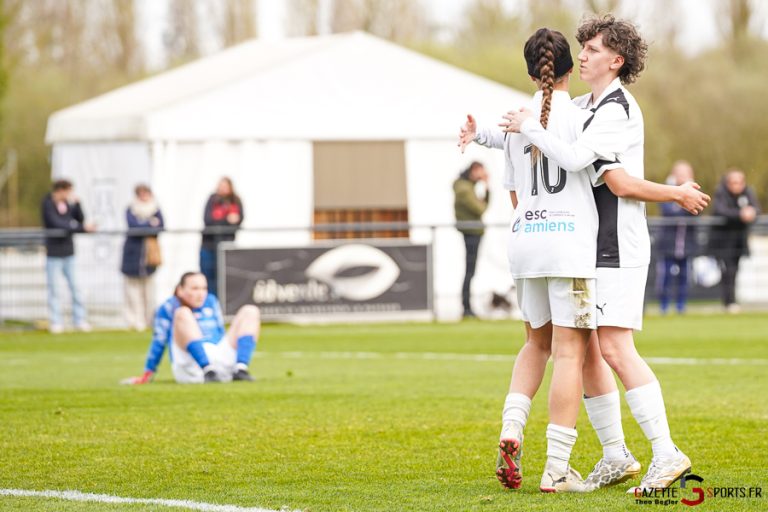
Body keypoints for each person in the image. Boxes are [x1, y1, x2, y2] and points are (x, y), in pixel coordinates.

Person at [498, 15, 709, 492]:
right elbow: (542, 124)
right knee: (590, 348)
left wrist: (675, 193)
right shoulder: (585, 105)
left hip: (617, 244)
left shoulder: (615, 109)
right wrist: (495, 132)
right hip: (590, 245)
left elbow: (614, 180)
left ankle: (667, 452)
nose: (584, 54)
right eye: (583, 48)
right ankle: (615, 453)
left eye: (592, 49)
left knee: (613, 346)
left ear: (616, 60)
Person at [123, 272, 260, 384]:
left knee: (250, 310)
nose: (201, 293)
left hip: (219, 357)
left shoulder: (211, 301)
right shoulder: (169, 307)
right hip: (191, 365)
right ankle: (208, 369)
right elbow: (159, 341)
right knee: (183, 313)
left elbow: (220, 331)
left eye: (204, 288)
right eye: (195, 288)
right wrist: (148, 372)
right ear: (180, 290)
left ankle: (241, 369)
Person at [41, 179, 95, 333]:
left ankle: (79, 319)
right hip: (53, 252)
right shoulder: (47, 203)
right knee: (54, 289)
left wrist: (77, 205)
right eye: (68, 191)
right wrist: (78, 227)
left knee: (75, 287)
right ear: (60, 190)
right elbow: (56, 223)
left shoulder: (70, 204)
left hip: (68, 251)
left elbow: (80, 220)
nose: (70, 194)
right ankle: (56, 321)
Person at [711, 168, 761, 313]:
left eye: (739, 182)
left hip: (739, 240)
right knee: (727, 271)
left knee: (735, 270)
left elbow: (756, 209)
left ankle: (731, 302)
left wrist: (752, 212)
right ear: (727, 183)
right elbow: (720, 211)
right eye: (733, 182)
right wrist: (740, 214)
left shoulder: (748, 192)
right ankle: (728, 302)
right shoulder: (720, 193)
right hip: (722, 241)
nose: (736, 186)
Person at [121, 184, 165, 331]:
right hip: (132, 256)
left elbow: (161, 226)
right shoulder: (130, 209)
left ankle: (148, 319)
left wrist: (144, 225)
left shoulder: (156, 209)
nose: (144, 196)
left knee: (149, 291)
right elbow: (133, 227)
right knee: (133, 292)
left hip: (149, 258)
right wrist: (149, 224)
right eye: (141, 194)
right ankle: (134, 320)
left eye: (146, 193)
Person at [657, 161, 698, 314]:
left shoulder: (696, 190)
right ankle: (664, 306)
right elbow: (669, 211)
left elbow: (696, 209)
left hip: (687, 244)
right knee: (665, 276)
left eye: (685, 174)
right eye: (679, 173)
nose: (682, 177)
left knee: (684, 277)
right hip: (667, 244)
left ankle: (681, 306)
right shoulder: (665, 190)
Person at [453, 162, 489, 318]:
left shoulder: (466, 187)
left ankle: (467, 307)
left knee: (470, 271)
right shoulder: (465, 189)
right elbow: (480, 209)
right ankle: (466, 308)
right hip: (471, 232)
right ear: (474, 171)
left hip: (473, 231)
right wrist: (485, 186)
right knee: (469, 271)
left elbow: (483, 206)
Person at [201, 177, 243, 297]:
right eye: (221, 185)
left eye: (225, 186)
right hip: (209, 245)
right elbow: (208, 220)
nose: (223, 188)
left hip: (227, 246)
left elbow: (238, 221)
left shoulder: (236, 201)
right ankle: (210, 302)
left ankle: (225, 304)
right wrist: (227, 220)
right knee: (209, 277)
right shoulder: (212, 199)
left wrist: (223, 221)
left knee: (226, 276)